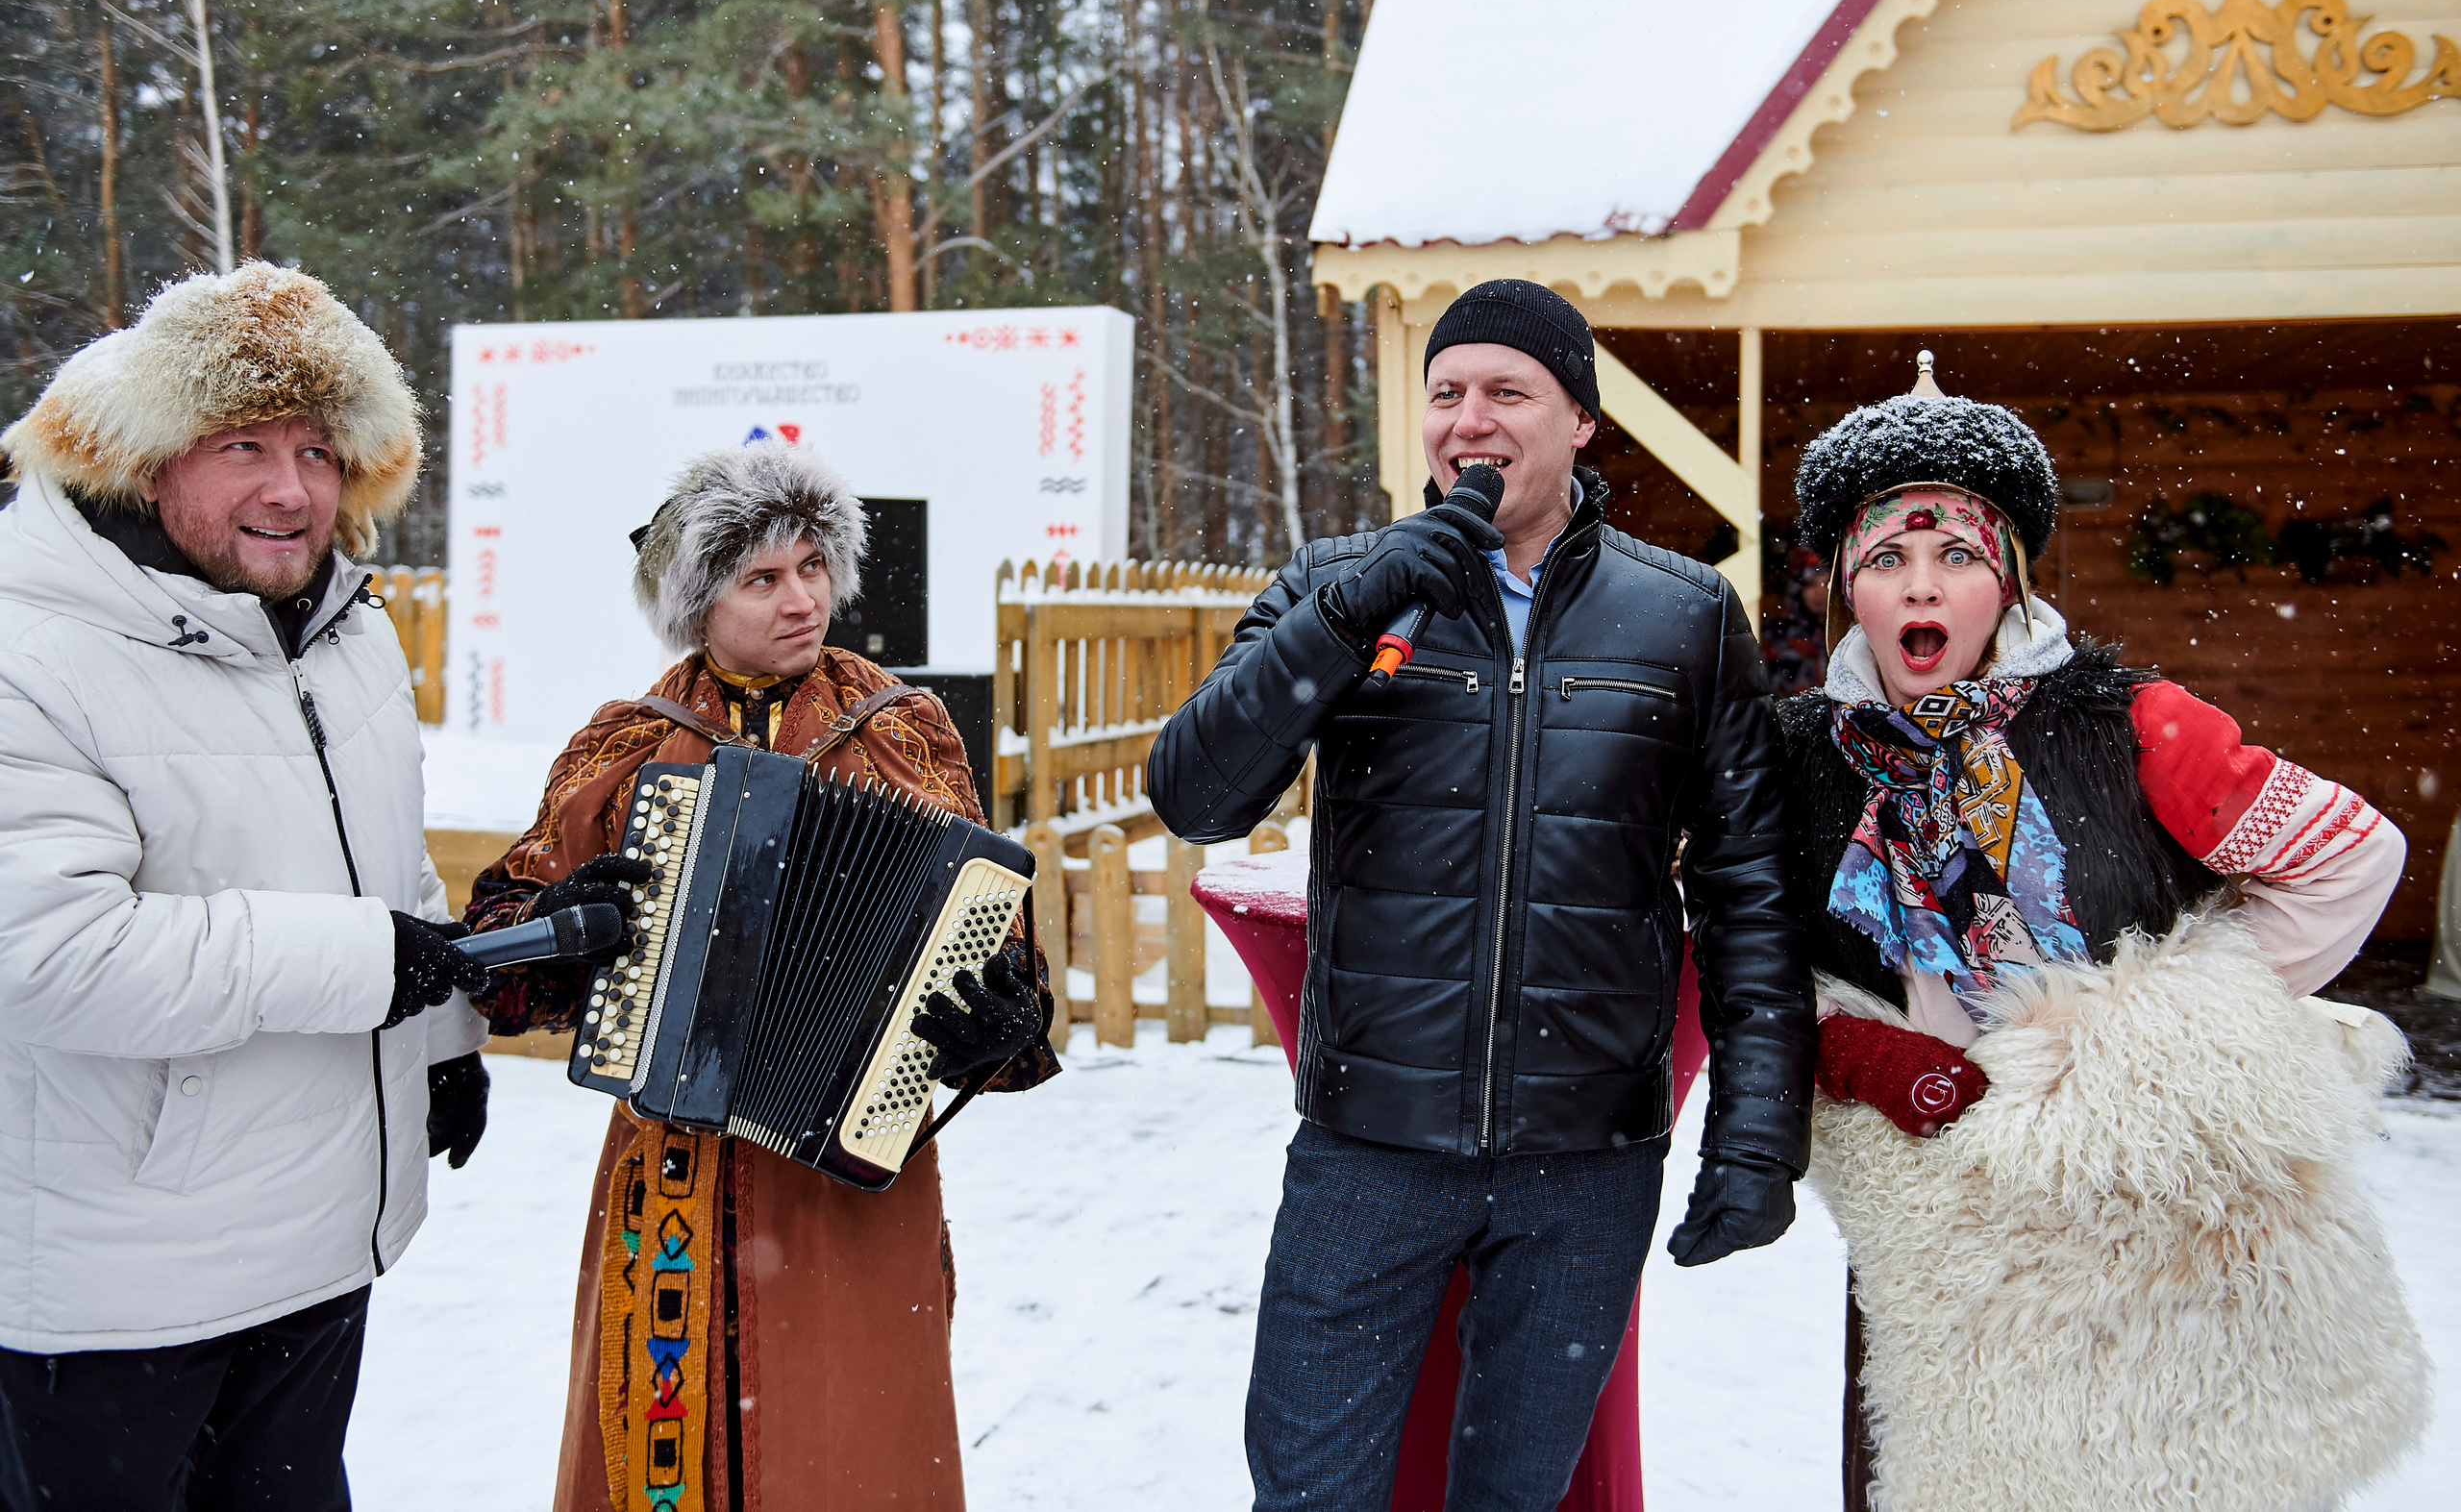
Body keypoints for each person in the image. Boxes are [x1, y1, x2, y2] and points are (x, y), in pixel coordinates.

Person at [1149, 279, 1815, 1511]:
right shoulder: (1339, 584)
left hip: (1586, 1159)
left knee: (1516, 1498)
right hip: (1367, 1147)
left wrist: (1760, 1130)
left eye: (1508, 392)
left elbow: (1747, 887)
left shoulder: (1681, 615)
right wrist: (1342, 619)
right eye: (1446, 393)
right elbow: (1195, 794)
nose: (1470, 421)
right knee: (1309, 1494)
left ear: (1580, 422)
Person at [1776, 374, 2430, 1511]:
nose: (1920, 586)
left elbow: (2351, 854)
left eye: (1958, 558)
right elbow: (1742, 949)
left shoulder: (2126, 723)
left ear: (2010, 577)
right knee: (1941, 1469)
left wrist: (2158, 1038)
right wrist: (1847, 1053)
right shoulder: (1794, 758)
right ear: (1845, 585)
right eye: (1886, 560)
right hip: (1943, 1215)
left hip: (2141, 1210)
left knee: (2161, 1464)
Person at [465, 440, 1057, 1512]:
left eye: (814, 567)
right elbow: (505, 954)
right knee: (665, 1455)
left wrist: (1000, 1021)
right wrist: (563, 929)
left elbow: (997, 932)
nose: (803, 600)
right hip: (671, 1170)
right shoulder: (628, 743)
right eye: (762, 578)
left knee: (858, 1441)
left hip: (855, 1166)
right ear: (699, 603)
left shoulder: (903, 729)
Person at [0, 262, 491, 1511]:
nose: (292, 487)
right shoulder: (31, 648)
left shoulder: (344, 628)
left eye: (322, 450)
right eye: (245, 444)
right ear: (154, 456)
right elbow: (52, 953)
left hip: (320, 1251)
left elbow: (386, 872)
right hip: (114, 1297)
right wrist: (374, 963)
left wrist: (441, 1039)